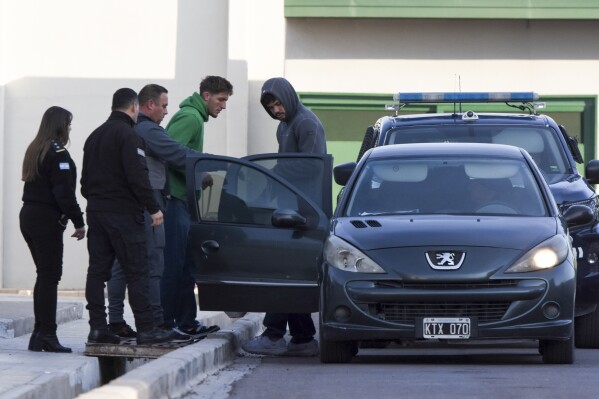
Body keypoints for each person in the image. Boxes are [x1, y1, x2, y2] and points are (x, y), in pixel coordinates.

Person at [106, 84, 212, 341]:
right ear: (146, 105)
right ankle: (157, 324)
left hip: (116, 205)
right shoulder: (146, 129)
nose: (166, 111)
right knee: (155, 263)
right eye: (163, 106)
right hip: (146, 204)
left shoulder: (109, 132)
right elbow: (177, 153)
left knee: (118, 265)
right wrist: (212, 164)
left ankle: (115, 322)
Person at [81, 88, 175, 345]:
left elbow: (84, 184)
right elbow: (138, 178)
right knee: (137, 271)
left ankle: (98, 329)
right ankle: (147, 329)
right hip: (124, 215)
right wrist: (153, 208)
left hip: (97, 214)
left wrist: (100, 202)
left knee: (97, 272)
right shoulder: (129, 136)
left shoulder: (93, 136)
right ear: (134, 107)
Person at [242, 77, 326, 357]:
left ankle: (274, 334)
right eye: (270, 106)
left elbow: (311, 168)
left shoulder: (306, 123)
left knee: (282, 271)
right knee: (290, 274)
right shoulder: (285, 125)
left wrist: (274, 175)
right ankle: (302, 338)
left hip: (303, 212)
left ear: (288, 98)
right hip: (289, 209)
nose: (276, 110)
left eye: (278, 103)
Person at [161, 76, 232, 335]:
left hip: (183, 201)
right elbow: (166, 152)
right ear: (205, 96)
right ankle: (167, 324)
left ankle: (186, 322)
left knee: (185, 266)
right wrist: (197, 172)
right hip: (175, 201)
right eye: (220, 99)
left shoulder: (194, 118)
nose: (223, 106)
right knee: (175, 265)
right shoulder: (190, 117)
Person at [20, 106, 86, 353]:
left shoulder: (35, 148)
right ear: (60, 126)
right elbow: (64, 193)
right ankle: (46, 334)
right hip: (45, 218)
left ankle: (39, 334)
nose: (69, 129)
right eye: (68, 125)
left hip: (29, 215)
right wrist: (79, 221)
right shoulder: (57, 152)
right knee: (50, 276)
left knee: (44, 275)